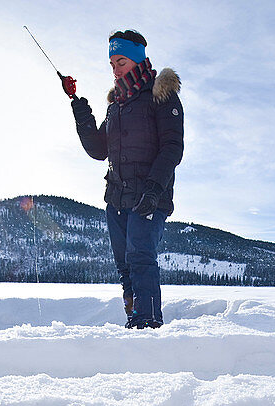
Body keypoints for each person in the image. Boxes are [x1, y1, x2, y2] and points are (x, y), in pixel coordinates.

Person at [62, 30, 183, 329]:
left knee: (141, 256)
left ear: (138, 59)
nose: (115, 69)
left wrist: (155, 189)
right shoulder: (115, 105)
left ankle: (149, 324)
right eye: (112, 63)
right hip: (116, 197)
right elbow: (98, 150)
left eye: (122, 61)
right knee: (125, 265)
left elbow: (172, 147)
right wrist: (80, 111)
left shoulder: (160, 95)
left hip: (149, 194)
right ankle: (134, 320)